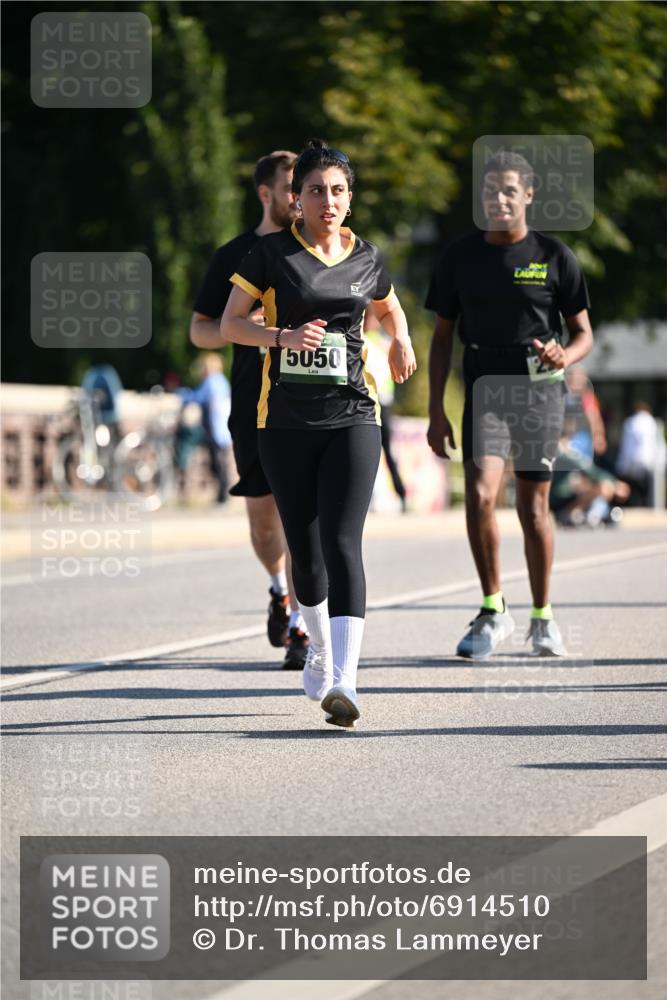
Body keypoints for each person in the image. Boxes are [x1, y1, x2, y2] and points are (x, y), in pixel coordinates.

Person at [221, 139, 416, 727]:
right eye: (314, 191)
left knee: (342, 542)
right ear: (294, 200)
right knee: (304, 555)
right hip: (281, 422)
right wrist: (280, 339)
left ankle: (347, 680)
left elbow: (387, 307)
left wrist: (402, 336)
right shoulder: (271, 255)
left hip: (354, 414)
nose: (326, 201)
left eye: (336, 191)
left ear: (349, 200)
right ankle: (321, 655)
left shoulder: (368, 257)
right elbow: (231, 324)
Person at [426, 150, 593, 659]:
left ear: (528, 195)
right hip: (485, 390)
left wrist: (566, 351)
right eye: (489, 192)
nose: (497, 200)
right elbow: (441, 339)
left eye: (508, 191)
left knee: (532, 507)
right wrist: (436, 409)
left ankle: (543, 617)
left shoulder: (554, 256)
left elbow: (583, 333)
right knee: (479, 496)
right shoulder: (460, 256)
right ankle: (493, 608)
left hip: (539, 392)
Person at [190, 150, 309, 669]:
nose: (300, 198)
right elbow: (199, 331)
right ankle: (279, 589)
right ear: (266, 194)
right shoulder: (234, 254)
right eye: (291, 189)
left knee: (308, 520)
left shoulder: (323, 250)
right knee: (265, 525)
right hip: (251, 405)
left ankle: (305, 629)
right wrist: (246, 325)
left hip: (311, 404)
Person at [363, 310, 408, 511]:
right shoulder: (371, 340)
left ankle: (401, 493)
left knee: (385, 451)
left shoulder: (380, 341)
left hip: (381, 402)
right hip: (370, 401)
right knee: (371, 451)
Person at [177, 354, 232, 503]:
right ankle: (223, 495)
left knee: (217, 463)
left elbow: (199, 398)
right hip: (223, 428)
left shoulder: (211, 382)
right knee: (222, 462)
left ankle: (221, 497)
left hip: (214, 428)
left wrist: (182, 394)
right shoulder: (222, 381)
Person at [616, 402, 660, 506]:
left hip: (632, 463)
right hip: (649, 462)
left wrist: (622, 465)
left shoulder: (630, 422)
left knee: (634, 491)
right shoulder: (652, 422)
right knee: (646, 491)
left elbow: (626, 446)